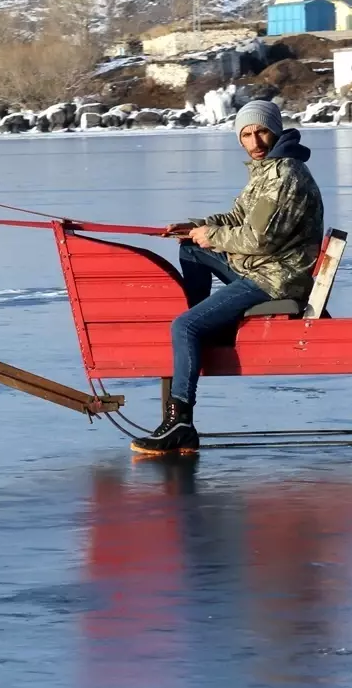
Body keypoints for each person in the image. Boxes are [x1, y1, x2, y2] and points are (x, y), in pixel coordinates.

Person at [130, 100, 324, 454]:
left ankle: (181, 422)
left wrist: (212, 236)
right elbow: (238, 216)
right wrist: (197, 227)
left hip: (276, 277)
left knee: (183, 327)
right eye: (247, 134)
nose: (255, 141)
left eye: (261, 131)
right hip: (264, 267)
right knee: (192, 248)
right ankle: (208, 323)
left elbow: (259, 239)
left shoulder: (284, 176)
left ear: (276, 130)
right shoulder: (266, 170)